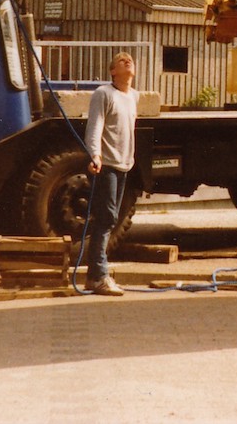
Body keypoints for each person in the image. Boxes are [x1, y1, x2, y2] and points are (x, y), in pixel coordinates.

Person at [83, 51, 138, 296]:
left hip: (124, 164)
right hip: (107, 165)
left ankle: (95, 274)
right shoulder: (104, 93)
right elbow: (95, 126)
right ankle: (98, 276)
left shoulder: (133, 97)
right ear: (112, 71)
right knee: (106, 219)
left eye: (130, 60)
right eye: (121, 61)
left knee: (110, 219)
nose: (127, 61)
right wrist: (94, 155)